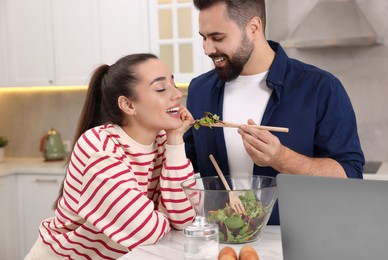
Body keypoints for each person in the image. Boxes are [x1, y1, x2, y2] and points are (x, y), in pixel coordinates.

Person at [184, 0, 365, 224]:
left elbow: (351, 176)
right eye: (203, 37)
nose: (207, 49)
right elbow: (186, 165)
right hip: (222, 239)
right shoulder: (199, 90)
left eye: (218, 38)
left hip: (295, 239)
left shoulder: (320, 87)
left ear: (254, 27)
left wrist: (282, 159)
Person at [25, 53, 196, 259]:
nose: (177, 94)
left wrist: (176, 139)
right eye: (161, 89)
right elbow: (147, 232)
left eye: (173, 83)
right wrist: (162, 215)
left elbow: (185, 220)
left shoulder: (163, 141)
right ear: (128, 105)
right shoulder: (99, 147)